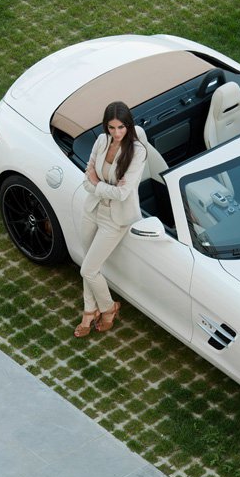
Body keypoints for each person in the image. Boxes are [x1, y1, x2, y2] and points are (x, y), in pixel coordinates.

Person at [74, 101, 147, 337]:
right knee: (88, 263)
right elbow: (86, 179)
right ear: (106, 126)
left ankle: (107, 308)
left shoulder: (137, 151)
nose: (116, 133)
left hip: (115, 218)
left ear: (129, 126)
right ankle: (89, 310)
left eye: (121, 127)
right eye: (112, 127)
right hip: (93, 208)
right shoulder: (101, 141)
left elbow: (123, 194)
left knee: (88, 270)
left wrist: (97, 182)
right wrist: (104, 186)